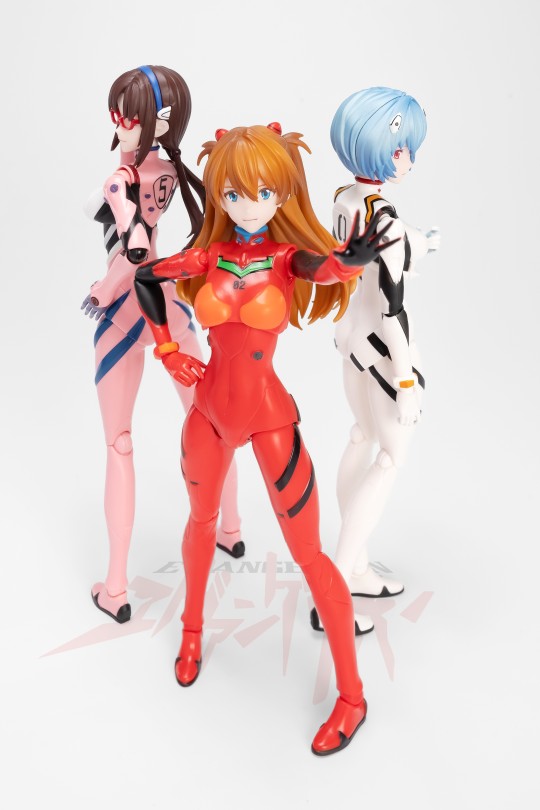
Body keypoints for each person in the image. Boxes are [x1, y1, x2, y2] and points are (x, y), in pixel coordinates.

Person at [134, 123, 396, 754]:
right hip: (208, 413)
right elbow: (146, 279)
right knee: (200, 523)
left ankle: (352, 698)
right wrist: (167, 351)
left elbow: (324, 266)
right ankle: (191, 632)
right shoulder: (207, 258)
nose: (248, 204)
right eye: (233, 192)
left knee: (310, 556)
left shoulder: (285, 259)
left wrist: (352, 259)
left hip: (270, 418)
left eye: (262, 192)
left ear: (282, 194)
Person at [83, 66, 242, 624]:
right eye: (119, 113)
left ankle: (116, 587)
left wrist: (102, 290)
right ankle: (231, 528)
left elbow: (134, 247)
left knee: (119, 442)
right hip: (168, 302)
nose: (120, 123)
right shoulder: (169, 169)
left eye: (128, 114)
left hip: (127, 309)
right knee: (210, 416)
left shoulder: (122, 178)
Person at [326, 87, 440, 634]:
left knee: (361, 437)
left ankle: (357, 568)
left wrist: (421, 243)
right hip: (381, 350)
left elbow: (367, 254)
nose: (408, 159)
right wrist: (406, 380)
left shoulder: (345, 198)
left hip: (349, 340)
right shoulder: (383, 216)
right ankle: (334, 585)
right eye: (400, 148)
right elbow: (393, 309)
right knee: (389, 457)